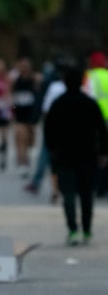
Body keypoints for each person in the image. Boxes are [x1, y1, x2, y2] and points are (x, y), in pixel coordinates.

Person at [44, 65, 108, 246]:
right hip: (88, 156)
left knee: (69, 194)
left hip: (64, 156)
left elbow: (48, 129)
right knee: (87, 195)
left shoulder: (58, 104)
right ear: (82, 82)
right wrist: (103, 151)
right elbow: (102, 130)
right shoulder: (90, 103)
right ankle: (87, 229)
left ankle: (73, 229)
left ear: (64, 82)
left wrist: (51, 150)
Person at [24, 60, 67, 203]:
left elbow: (46, 108)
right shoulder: (71, 88)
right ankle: (62, 187)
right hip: (67, 128)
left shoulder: (54, 87)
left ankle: (38, 183)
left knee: (46, 155)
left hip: (53, 126)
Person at [11, 56, 42, 178]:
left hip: (31, 114)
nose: (23, 68)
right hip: (19, 114)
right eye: (21, 66)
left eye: (26, 66)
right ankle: (22, 163)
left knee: (28, 138)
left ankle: (27, 158)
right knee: (19, 138)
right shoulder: (16, 80)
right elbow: (12, 94)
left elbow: (38, 96)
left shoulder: (34, 79)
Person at [83, 51, 108, 197]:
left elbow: (86, 95)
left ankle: (95, 183)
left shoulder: (89, 76)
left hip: (94, 119)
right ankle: (104, 185)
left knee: (96, 152)